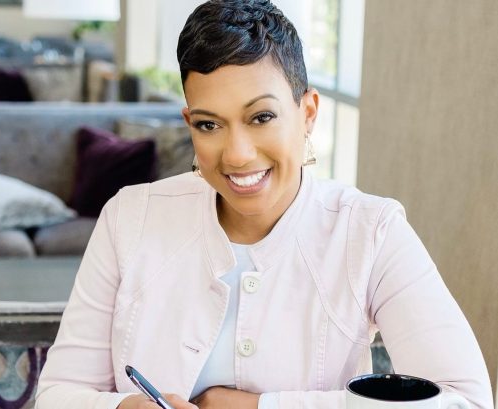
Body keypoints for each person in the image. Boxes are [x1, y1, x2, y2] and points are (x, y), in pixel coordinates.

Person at [35, 1, 493, 408]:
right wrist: (126, 408)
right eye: (209, 125)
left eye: (261, 117)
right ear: (189, 123)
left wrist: (260, 407)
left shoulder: (372, 231)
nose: (236, 155)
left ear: (308, 113)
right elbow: (57, 394)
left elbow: (464, 401)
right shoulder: (129, 218)